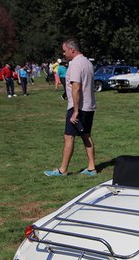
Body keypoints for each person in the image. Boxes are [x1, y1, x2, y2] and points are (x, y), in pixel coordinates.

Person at [44, 38, 97, 177]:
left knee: (69, 137)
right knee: (86, 135)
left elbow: (76, 87)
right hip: (89, 106)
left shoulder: (75, 64)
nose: (63, 54)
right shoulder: (87, 63)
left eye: (64, 51)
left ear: (72, 50)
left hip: (78, 108)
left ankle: (63, 170)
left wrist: (75, 111)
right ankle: (92, 168)